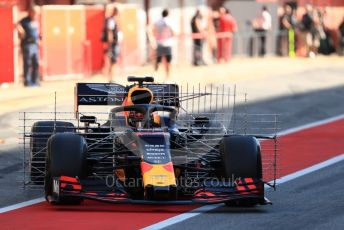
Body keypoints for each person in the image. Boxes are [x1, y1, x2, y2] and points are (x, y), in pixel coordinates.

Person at [17, 6, 41, 87]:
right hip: (27, 44)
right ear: (31, 12)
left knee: (36, 63)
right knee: (27, 63)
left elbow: (36, 31)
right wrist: (21, 30)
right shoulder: (25, 20)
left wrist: (39, 40)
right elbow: (17, 24)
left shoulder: (35, 21)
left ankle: (35, 81)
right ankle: (27, 81)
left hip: (34, 44)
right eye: (35, 12)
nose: (36, 14)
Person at [150, 9, 174, 81]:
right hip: (168, 43)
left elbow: (151, 30)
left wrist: (153, 40)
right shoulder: (169, 21)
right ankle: (167, 77)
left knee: (158, 61)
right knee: (168, 62)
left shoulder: (157, 21)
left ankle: (155, 76)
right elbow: (173, 32)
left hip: (159, 43)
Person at [102, 6, 122, 82]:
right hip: (113, 44)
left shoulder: (113, 20)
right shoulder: (111, 20)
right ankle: (111, 78)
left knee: (113, 61)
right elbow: (110, 32)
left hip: (113, 44)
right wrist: (110, 44)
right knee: (113, 61)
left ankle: (111, 78)